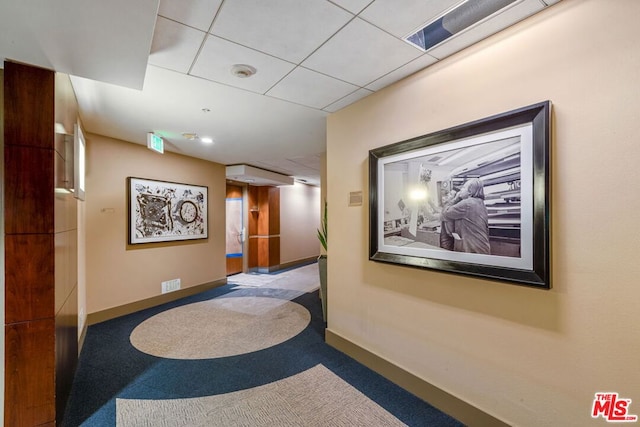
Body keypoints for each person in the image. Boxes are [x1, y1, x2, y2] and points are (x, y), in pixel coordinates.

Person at [441, 178, 491, 254]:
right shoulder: (480, 203)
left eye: (464, 187)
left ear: (470, 191)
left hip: (473, 249)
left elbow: (446, 213)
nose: (461, 190)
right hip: (482, 247)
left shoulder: (467, 203)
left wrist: (455, 199)